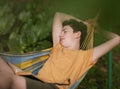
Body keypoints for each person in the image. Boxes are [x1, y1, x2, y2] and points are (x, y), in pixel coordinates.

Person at [0, 12, 120, 89]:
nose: (61, 35)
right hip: (33, 79)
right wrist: (81, 23)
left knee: (11, 80)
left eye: (65, 31)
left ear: (77, 34)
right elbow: (58, 15)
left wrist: (97, 30)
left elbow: (117, 39)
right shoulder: (58, 47)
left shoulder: (86, 56)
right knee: (4, 70)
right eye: (61, 31)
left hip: (51, 87)